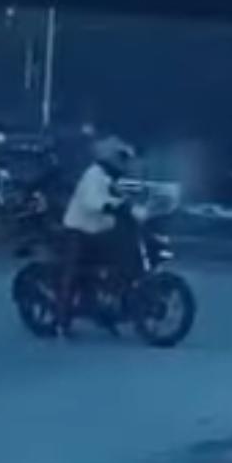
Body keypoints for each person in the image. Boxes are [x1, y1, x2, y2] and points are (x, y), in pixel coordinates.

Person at [57, 135, 138, 339]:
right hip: (79, 230)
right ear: (111, 157)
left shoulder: (110, 178)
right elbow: (92, 201)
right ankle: (62, 319)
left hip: (99, 231)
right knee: (72, 273)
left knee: (116, 262)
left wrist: (134, 208)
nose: (125, 164)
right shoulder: (94, 174)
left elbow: (123, 199)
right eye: (122, 158)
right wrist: (112, 206)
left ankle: (106, 304)